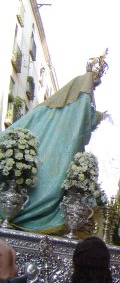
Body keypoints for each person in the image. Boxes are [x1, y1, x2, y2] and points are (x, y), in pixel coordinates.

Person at [0, 51, 108, 233]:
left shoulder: (77, 96)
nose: (94, 86)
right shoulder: (81, 94)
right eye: (94, 82)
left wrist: (96, 116)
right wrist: (95, 116)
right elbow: (81, 121)